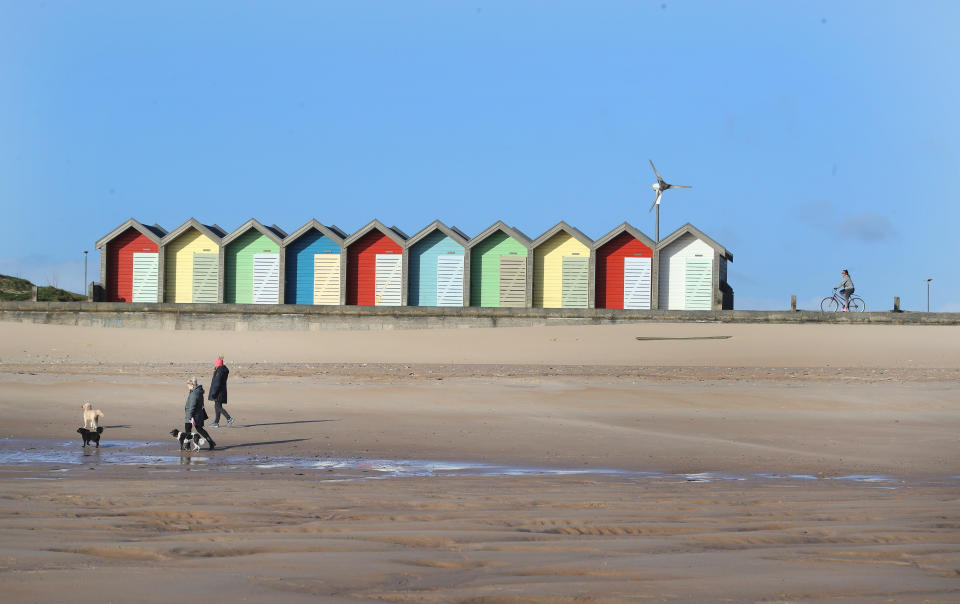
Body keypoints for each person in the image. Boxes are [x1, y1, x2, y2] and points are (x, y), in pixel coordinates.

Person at [184, 376, 215, 450]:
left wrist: (190, 417)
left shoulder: (194, 394)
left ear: (192, 385)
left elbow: (192, 406)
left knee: (188, 430)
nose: (187, 386)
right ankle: (211, 442)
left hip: (193, 415)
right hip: (198, 414)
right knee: (200, 429)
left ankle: (187, 446)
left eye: (188, 385)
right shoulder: (198, 391)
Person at [208, 355, 233, 427]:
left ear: (218, 364)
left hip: (218, 392)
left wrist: (214, 393)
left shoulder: (219, 370)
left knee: (218, 406)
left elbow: (217, 383)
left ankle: (229, 418)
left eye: (216, 363)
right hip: (221, 391)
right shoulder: (222, 370)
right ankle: (216, 422)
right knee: (217, 406)